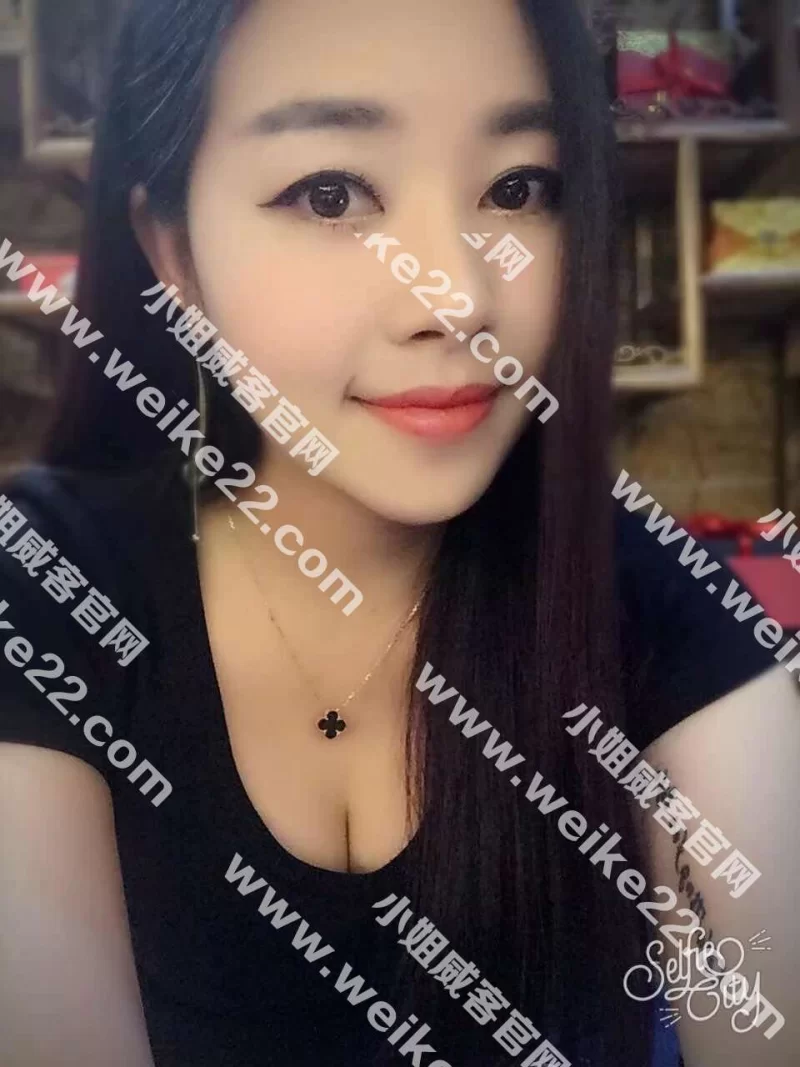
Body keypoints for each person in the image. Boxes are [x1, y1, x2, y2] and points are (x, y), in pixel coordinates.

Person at [0, 1, 797, 1065]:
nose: (455, 296)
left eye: (519, 188)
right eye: (330, 193)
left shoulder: (648, 597)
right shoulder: (49, 584)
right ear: (175, 254)